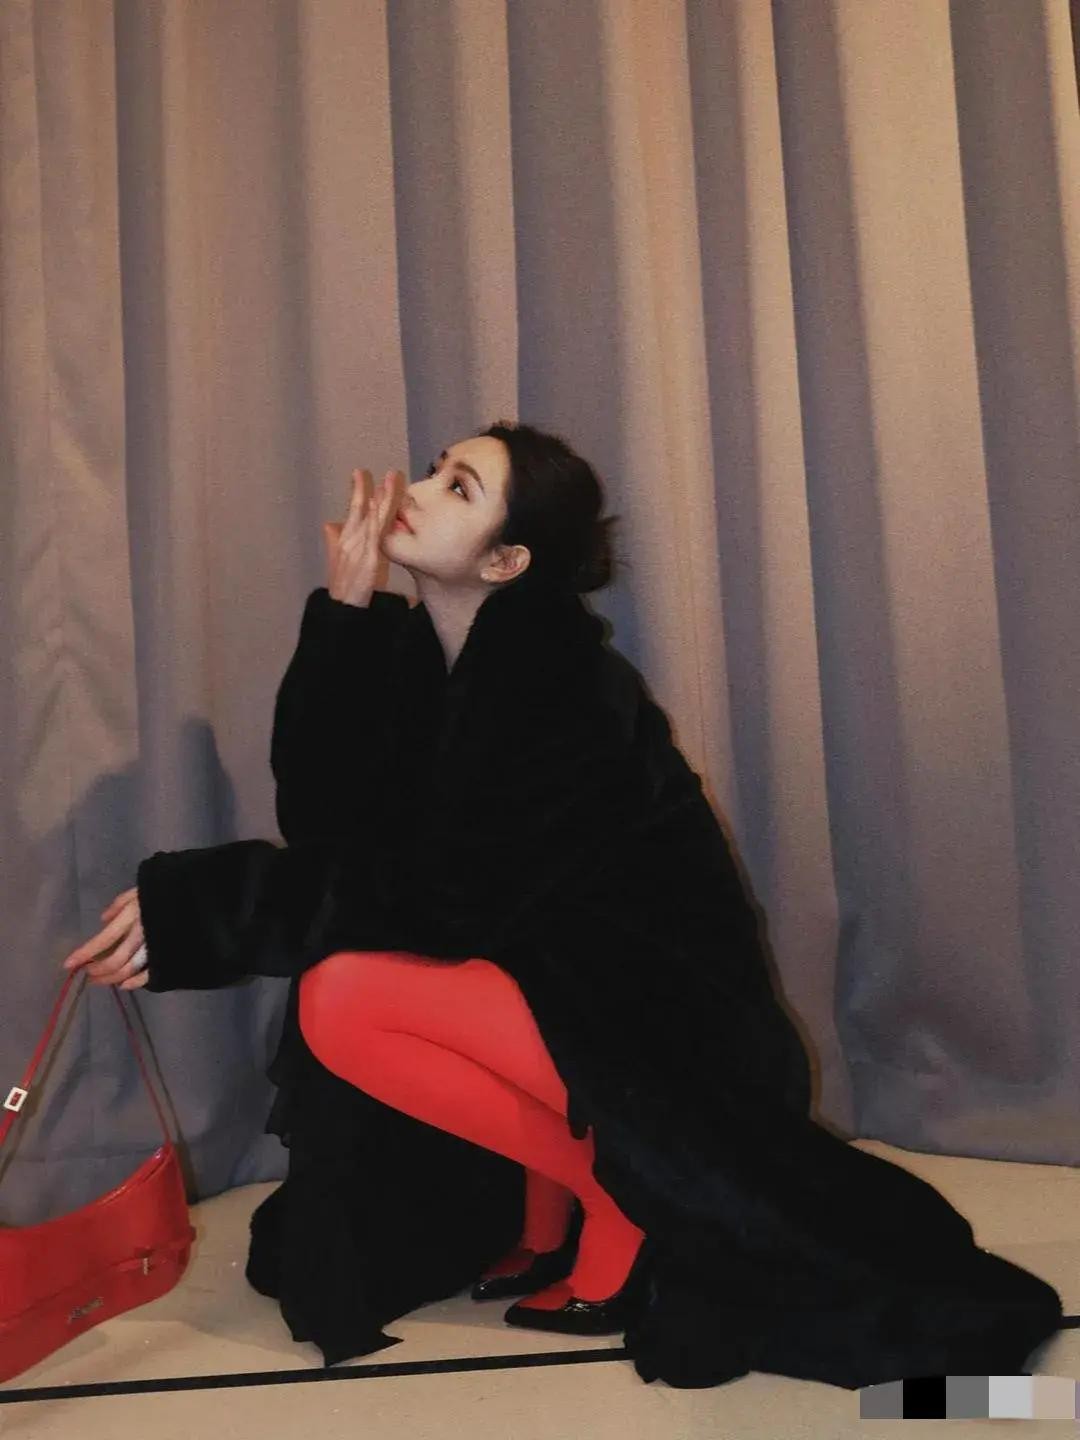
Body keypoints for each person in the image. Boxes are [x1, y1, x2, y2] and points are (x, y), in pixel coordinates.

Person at [60, 420, 1068, 1390]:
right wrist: (346, 614)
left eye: (458, 487)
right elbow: (327, 823)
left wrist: (202, 910)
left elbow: (435, 894)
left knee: (342, 997)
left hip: (654, 1027)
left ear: (507, 561)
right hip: (545, 988)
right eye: (435, 468)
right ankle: (561, 1206)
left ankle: (608, 1192)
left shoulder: (564, 688)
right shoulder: (425, 659)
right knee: (348, 1018)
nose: (416, 491)